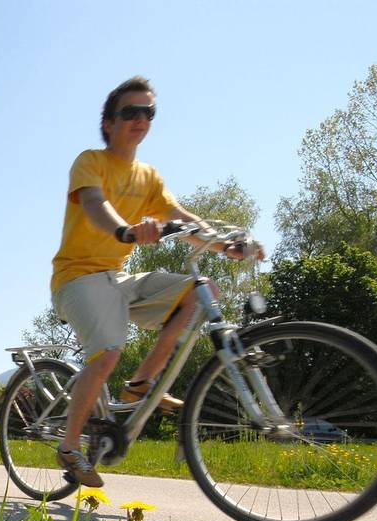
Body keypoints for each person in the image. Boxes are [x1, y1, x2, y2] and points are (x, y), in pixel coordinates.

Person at [49, 75, 259, 488]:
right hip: (77, 277)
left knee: (201, 292)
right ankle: (70, 447)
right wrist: (125, 230)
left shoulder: (148, 176)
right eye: (131, 112)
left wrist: (227, 245)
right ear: (109, 122)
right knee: (107, 354)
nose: (141, 119)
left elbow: (181, 217)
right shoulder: (90, 161)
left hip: (118, 278)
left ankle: (140, 385)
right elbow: (95, 204)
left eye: (149, 112)